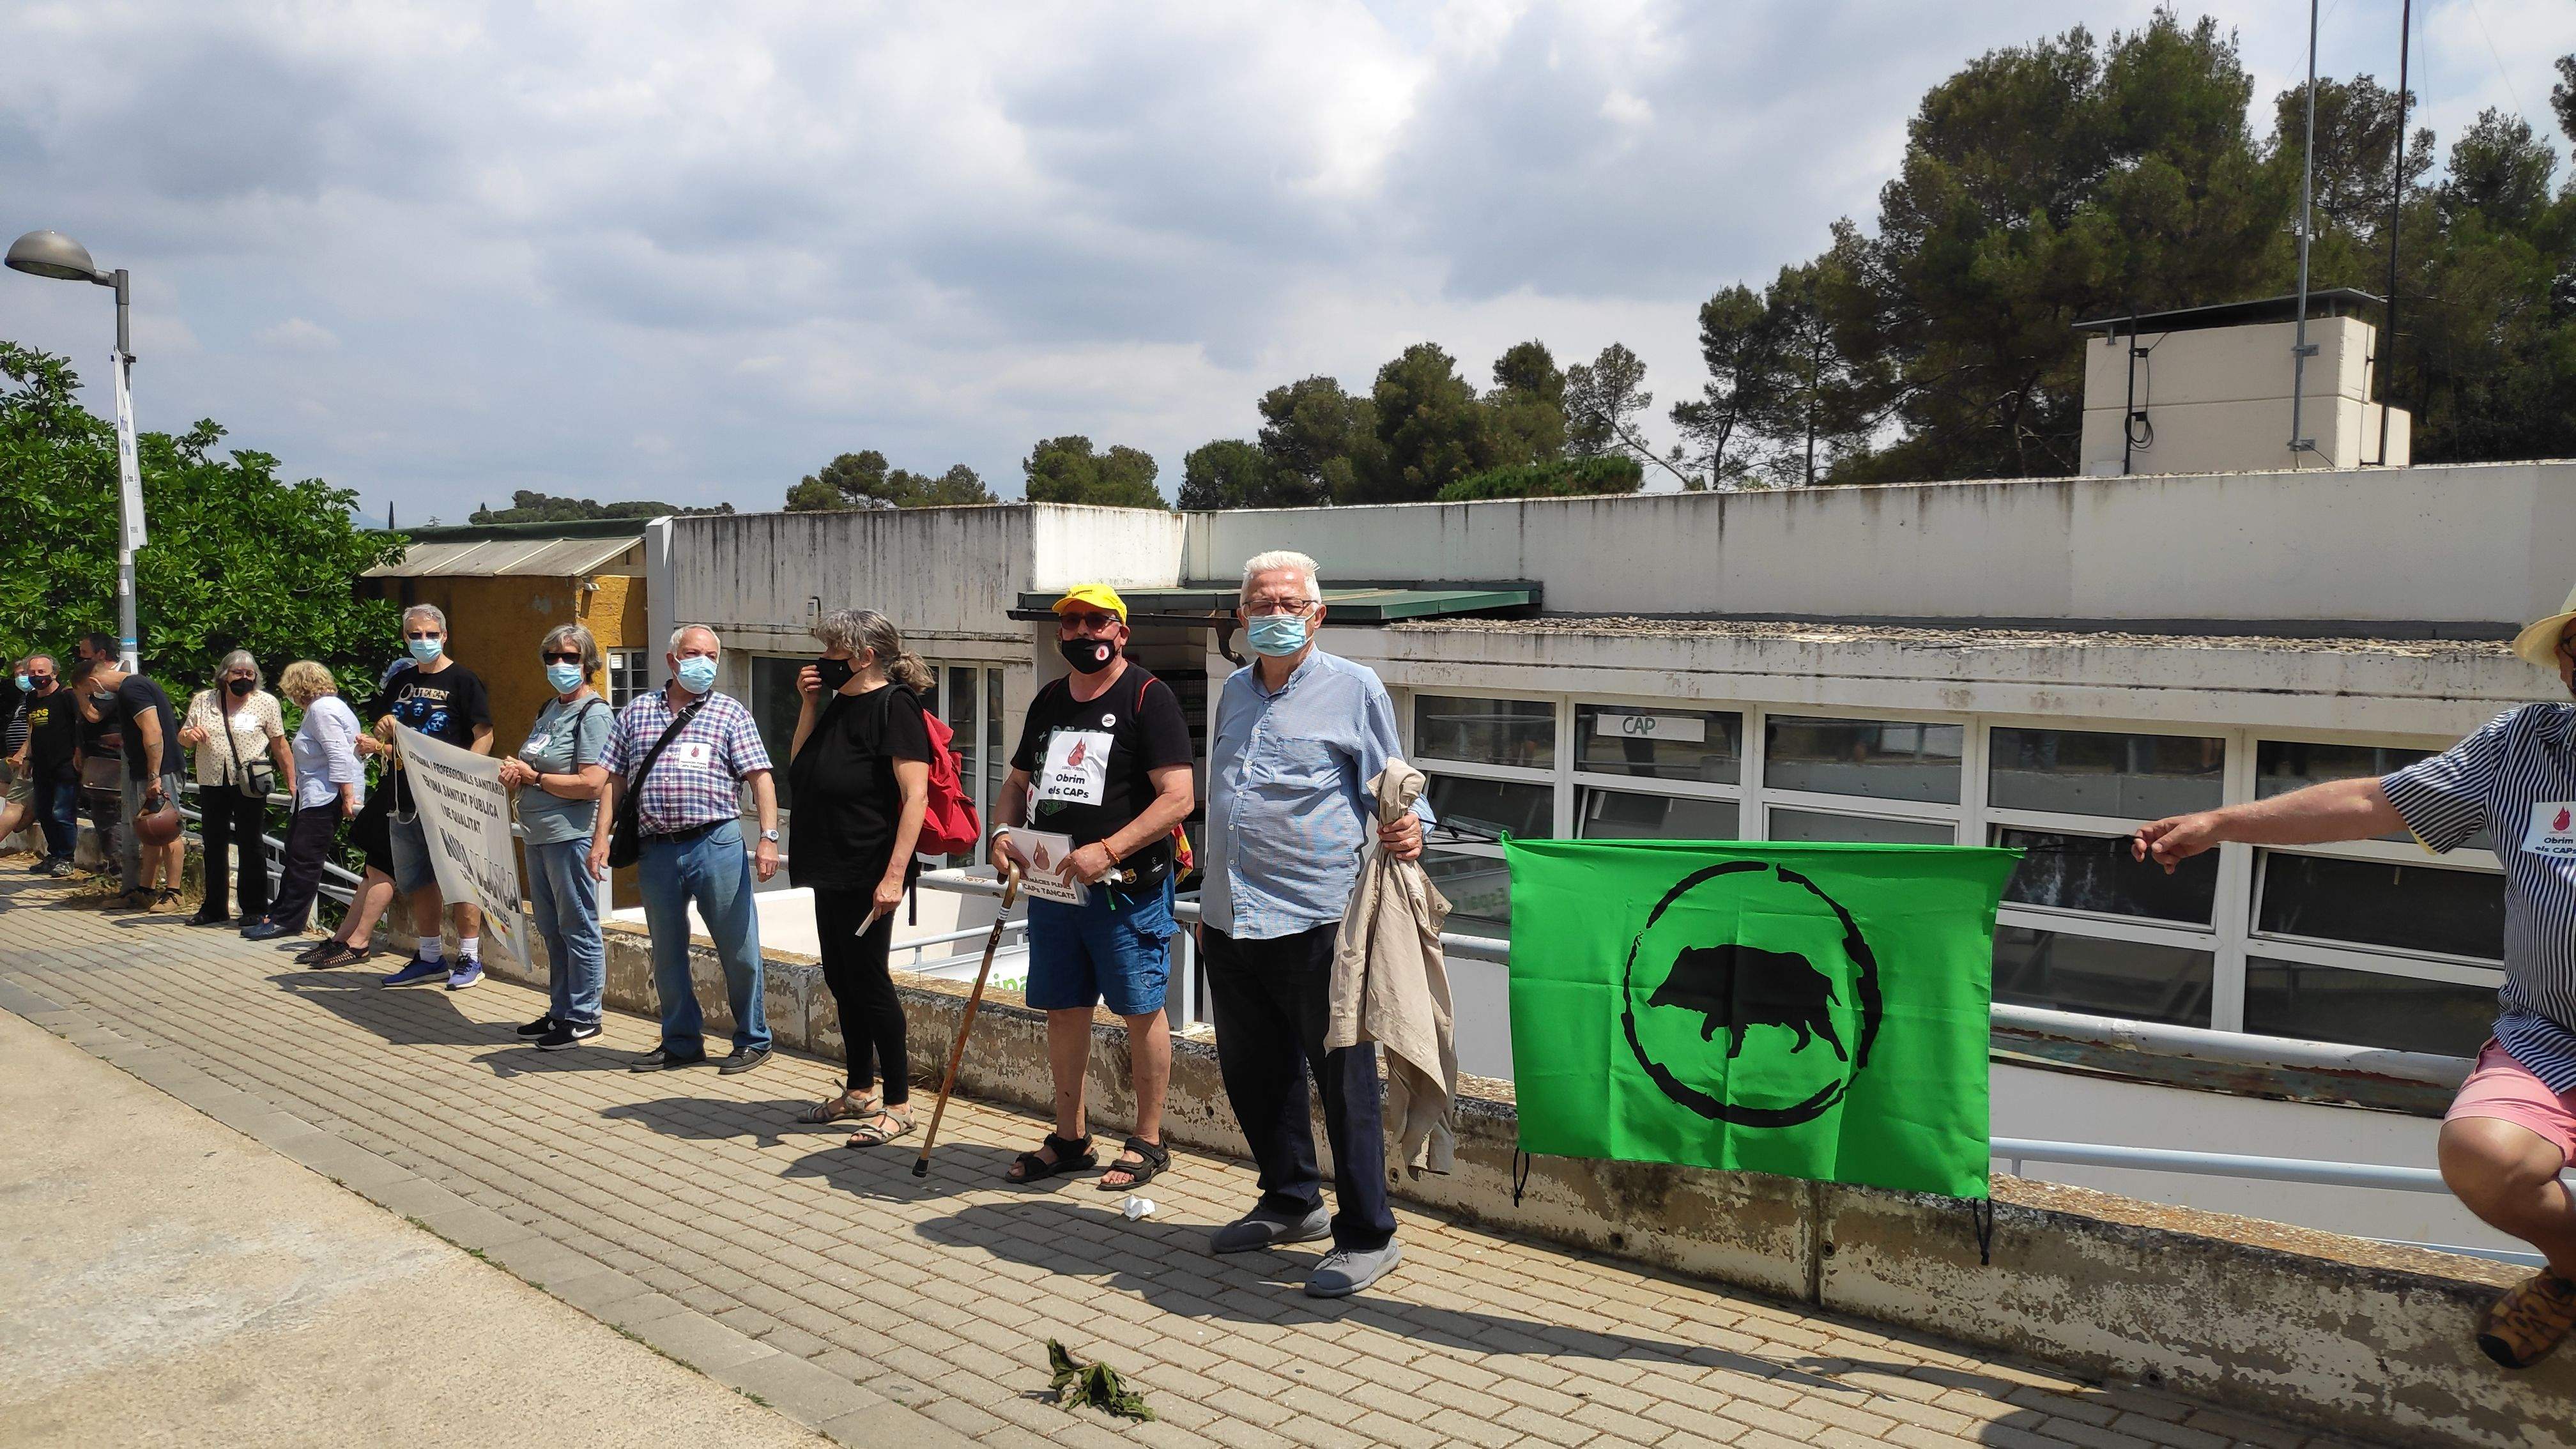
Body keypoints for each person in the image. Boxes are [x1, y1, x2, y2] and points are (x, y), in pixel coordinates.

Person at [2136, 583, 2576, 1370]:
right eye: (2574, 646)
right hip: (2549, 1034)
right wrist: (2222, 824)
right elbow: (2376, 800)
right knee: (2484, 1159)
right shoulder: (2528, 745)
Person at [1197, 550, 1428, 1298]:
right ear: (1240, 616)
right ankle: (1292, 1201)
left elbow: (1393, 782)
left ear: (1317, 614)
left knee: (1344, 1083)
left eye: (1288, 604)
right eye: (1259, 604)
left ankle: (1368, 1235)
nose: (1273, 615)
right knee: (1253, 1074)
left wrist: (1410, 828)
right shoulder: (1232, 691)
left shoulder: (1353, 687)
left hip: (1317, 922)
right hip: (1229, 918)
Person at [988, 584, 1195, 1190]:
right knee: (1064, 1011)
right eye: (1071, 623)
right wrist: (1001, 833)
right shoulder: (1050, 698)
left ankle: (1148, 1141)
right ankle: (1070, 1136)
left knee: (1139, 1010)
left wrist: (1107, 849)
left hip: (1126, 888)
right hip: (1055, 890)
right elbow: (1016, 782)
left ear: (1121, 632)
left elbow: (1178, 798)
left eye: (1096, 622)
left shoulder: (1148, 698)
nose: (1083, 633)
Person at [588, 625, 780, 1075]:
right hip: (657, 849)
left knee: (738, 948)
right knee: (667, 949)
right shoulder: (636, 712)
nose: (704, 663)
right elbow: (613, 779)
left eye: (712, 656)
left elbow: (761, 778)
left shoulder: (731, 713)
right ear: (673, 660)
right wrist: (601, 838)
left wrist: (769, 838)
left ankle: (754, 1039)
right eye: (694, 653)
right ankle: (680, 1042)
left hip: (716, 843)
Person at [788, 608, 934, 1146]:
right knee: (839, 977)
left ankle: (899, 1103)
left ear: (863, 656)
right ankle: (858, 1089)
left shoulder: (895, 706)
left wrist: (895, 876)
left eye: (831, 652)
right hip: (830, 862)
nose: (822, 661)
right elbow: (800, 768)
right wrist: (808, 704)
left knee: (870, 982)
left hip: (870, 866)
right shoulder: (835, 703)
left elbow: (915, 797)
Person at [498, 624, 614, 1050]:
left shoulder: (594, 714)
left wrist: (535, 777)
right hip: (537, 833)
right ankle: (561, 1010)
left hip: (571, 835)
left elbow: (592, 782)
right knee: (551, 927)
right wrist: (518, 774)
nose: (560, 665)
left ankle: (586, 1016)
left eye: (570, 658)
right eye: (552, 658)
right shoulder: (551, 707)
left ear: (588, 664)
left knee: (578, 926)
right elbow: (536, 766)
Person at [371, 606, 496, 990]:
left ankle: (470, 958)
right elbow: (383, 734)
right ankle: (429, 957)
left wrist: (463, 777)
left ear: (444, 636)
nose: (422, 641)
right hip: (404, 795)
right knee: (418, 879)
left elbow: (485, 735)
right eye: (414, 635)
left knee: (461, 876)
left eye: (430, 634)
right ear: (405, 638)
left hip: (450, 797)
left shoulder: (464, 680)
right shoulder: (401, 681)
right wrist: (381, 733)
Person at [248, 662, 365, 941]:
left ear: (299, 688)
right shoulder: (331, 707)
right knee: (296, 850)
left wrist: (348, 796)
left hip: (327, 794)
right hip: (315, 794)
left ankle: (288, 919)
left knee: (305, 858)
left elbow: (339, 755)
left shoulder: (322, 710)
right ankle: (279, 913)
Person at [179, 650, 293, 927]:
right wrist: (189, 736)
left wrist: (292, 781)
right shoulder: (203, 701)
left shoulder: (266, 703)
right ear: (224, 675)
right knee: (214, 844)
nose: (244, 678)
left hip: (249, 782)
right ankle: (214, 908)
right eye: (237, 673)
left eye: (249, 674)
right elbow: (182, 738)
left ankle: (254, 908)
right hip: (212, 779)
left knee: (251, 843)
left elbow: (279, 743)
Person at [72, 652, 183, 909]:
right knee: (150, 831)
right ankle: (145, 890)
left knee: (166, 828)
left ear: (94, 683)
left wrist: (154, 776)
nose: (91, 697)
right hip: (144, 769)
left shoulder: (133, 689)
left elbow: (153, 731)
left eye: (88, 692)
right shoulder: (129, 690)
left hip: (158, 770)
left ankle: (175, 893)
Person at [10, 655, 80, 875]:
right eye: (32, 673)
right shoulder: (32, 699)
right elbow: (32, 730)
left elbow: (79, 729)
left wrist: (79, 755)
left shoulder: (67, 697)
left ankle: (67, 858)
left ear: (54, 673)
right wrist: (28, 758)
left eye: (42, 672)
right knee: (45, 812)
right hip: (41, 765)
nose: (37, 677)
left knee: (62, 812)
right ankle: (54, 855)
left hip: (65, 764)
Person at [69, 632, 123, 879]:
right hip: (94, 758)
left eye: (84, 652)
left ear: (101, 655)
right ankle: (111, 867)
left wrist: (79, 691)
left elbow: (93, 716)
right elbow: (84, 722)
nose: (80, 657)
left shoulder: (112, 685)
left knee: (111, 817)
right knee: (101, 816)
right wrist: (80, 749)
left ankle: (121, 872)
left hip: (110, 761)